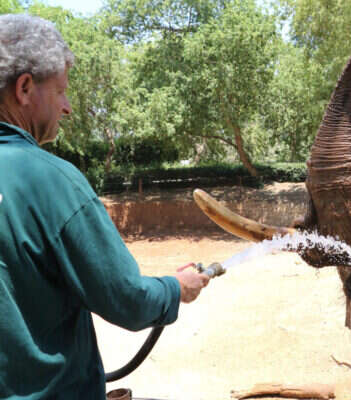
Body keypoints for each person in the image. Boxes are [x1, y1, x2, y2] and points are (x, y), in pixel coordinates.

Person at [0, 14, 210, 399]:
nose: (67, 108)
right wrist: (176, 288)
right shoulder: (51, 181)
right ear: (25, 88)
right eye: (60, 91)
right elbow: (127, 299)